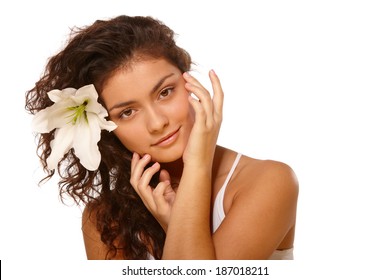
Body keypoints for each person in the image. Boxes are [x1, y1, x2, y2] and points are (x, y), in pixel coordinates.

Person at [25, 15, 298, 260]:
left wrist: (197, 167)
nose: (157, 123)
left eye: (165, 92)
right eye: (128, 112)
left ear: (189, 82)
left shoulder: (269, 181)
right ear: (105, 127)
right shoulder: (105, 220)